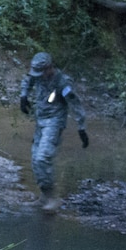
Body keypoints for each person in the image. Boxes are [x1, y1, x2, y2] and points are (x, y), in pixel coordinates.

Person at [19, 51, 89, 213]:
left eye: (41, 72)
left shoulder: (62, 83)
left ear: (49, 67)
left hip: (54, 122)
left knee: (43, 157)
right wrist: (24, 96)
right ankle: (43, 196)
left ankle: (52, 198)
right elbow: (27, 80)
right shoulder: (36, 75)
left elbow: (75, 104)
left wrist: (82, 127)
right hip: (40, 121)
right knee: (35, 159)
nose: (39, 75)